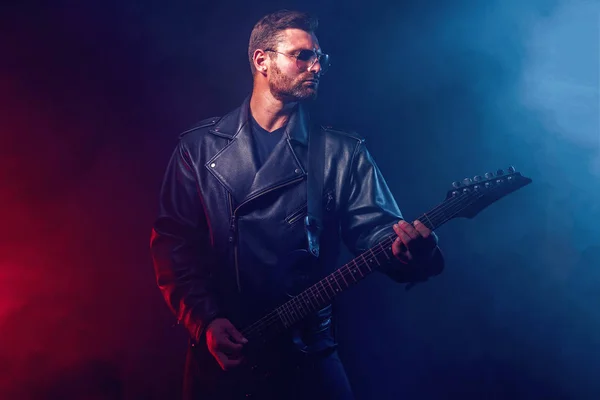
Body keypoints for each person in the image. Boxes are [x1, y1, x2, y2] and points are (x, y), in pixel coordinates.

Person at [150, 9, 444, 400]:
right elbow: (175, 248)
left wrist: (410, 251)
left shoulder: (342, 151)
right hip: (226, 353)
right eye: (302, 56)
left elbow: (376, 231)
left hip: (308, 352)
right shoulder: (198, 148)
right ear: (262, 60)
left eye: (320, 57)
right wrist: (206, 321)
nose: (316, 66)